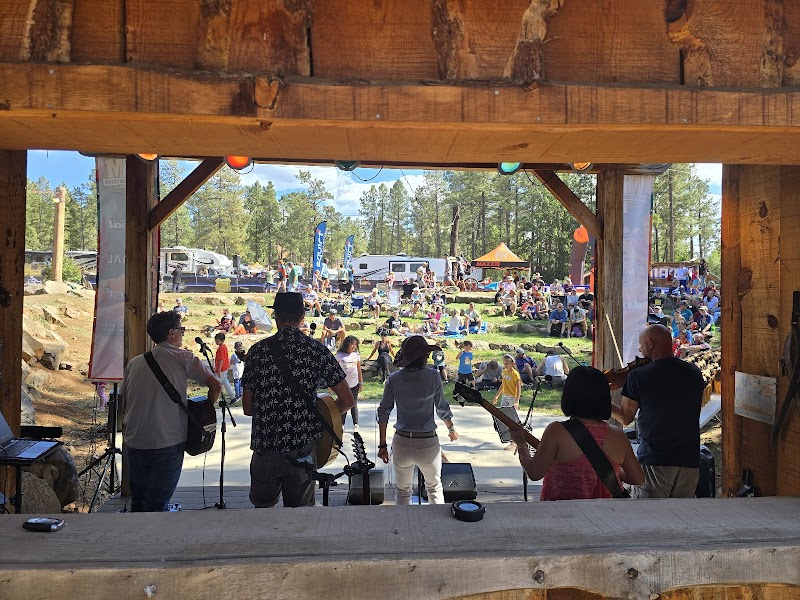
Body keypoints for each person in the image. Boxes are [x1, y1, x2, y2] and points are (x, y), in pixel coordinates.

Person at [242, 293, 354, 508]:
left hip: (266, 445)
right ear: (303, 317)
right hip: (301, 446)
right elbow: (347, 400)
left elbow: (248, 408)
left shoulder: (257, 352)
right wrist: (324, 417)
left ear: (276, 317)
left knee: (262, 513)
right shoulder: (316, 350)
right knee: (301, 515)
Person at [121, 311, 222, 512]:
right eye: (181, 330)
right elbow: (216, 385)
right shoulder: (183, 357)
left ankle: (135, 538)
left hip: (135, 440)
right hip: (168, 440)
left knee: (138, 501)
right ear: (171, 333)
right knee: (158, 504)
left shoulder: (135, 362)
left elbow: (126, 398)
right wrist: (205, 411)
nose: (183, 334)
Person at [510, 366, 644, 500]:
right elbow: (637, 478)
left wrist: (521, 444)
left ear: (569, 396)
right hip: (606, 515)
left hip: (561, 517)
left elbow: (534, 472)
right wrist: (610, 469)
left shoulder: (556, 431)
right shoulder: (618, 435)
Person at [612, 324, 705, 498]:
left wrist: (602, 402)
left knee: (651, 518)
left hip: (655, 460)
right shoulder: (693, 373)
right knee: (682, 518)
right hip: (690, 459)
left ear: (649, 343)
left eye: (640, 345)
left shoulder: (639, 376)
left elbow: (625, 417)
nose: (639, 350)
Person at [377, 336, 458, 505]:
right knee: (434, 488)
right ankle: (438, 530)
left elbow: (384, 411)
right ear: (423, 357)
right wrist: (451, 428)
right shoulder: (433, 376)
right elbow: (441, 407)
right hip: (428, 441)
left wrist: (382, 445)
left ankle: (403, 529)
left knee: (403, 492)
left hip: (402, 441)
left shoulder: (393, 378)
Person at [335, 336, 363, 432]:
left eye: (355, 345)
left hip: (354, 384)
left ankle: (356, 424)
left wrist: (361, 382)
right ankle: (342, 424)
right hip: (343, 384)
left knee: (353, 403)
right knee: (344, 403)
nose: (354, 347)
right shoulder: (339, 355)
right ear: (347, 344)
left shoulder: (356, 355)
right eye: (352, 344)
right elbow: (335, 370)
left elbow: (359, 370)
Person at [213, 332, 236, 399]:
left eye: (217, 341)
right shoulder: (224, 346)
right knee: (225, 381)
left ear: (222, 341)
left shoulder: (220, 349)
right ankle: (232, 395)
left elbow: (221, 360)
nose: (216, 342)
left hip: (221, 369)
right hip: (224, 367)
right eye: (216, 340)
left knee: (217, 384)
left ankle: (215, 397)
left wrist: (219, 370)